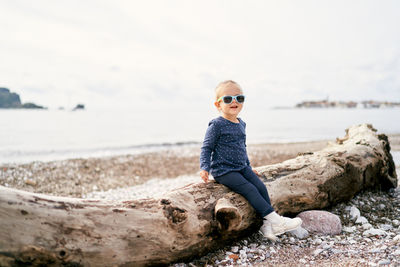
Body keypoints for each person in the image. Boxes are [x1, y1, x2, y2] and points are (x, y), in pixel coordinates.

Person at [199, 80, 302, 241]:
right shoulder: (216, 125)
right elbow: (207, 148)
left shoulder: (241, 123)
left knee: (260, 187)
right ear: (218, 104)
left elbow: (241, 147)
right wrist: (204, 167)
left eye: (239, 98)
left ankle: (267, 225)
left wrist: (248, 165)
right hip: (224, 170)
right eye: (228, 99)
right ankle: (277, 221)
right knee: (249, 189)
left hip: (241, 167)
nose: (234, 102)